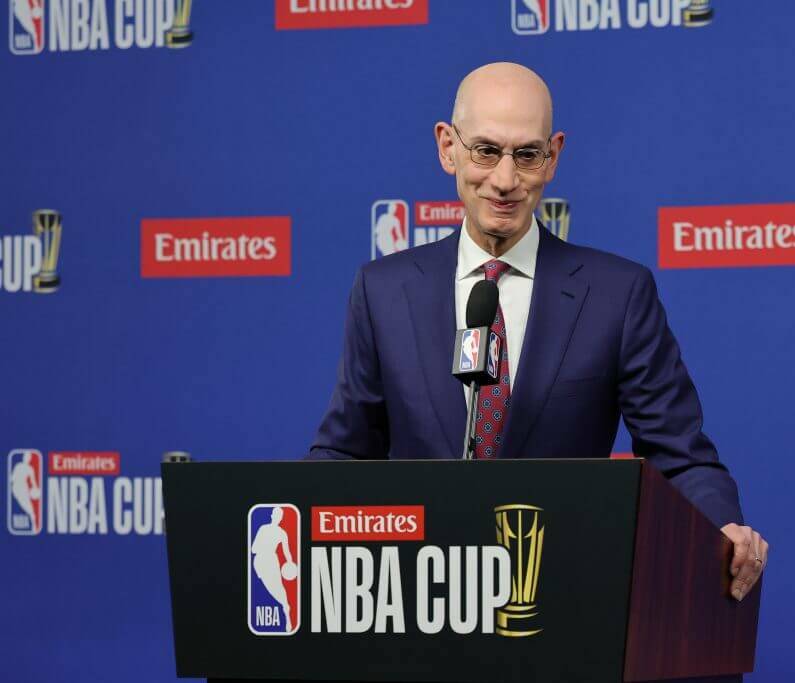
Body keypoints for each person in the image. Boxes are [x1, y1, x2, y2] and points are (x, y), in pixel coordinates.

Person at [311, 62, 767, 602]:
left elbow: (680, 455)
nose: (504, 180)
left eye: (526, 155)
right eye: (485, 151)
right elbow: (344, 455)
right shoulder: (383, 291)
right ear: (446, 147)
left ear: (553, 157)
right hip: (418, 600)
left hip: (561, 596)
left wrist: (723, 526)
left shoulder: (617, 294)